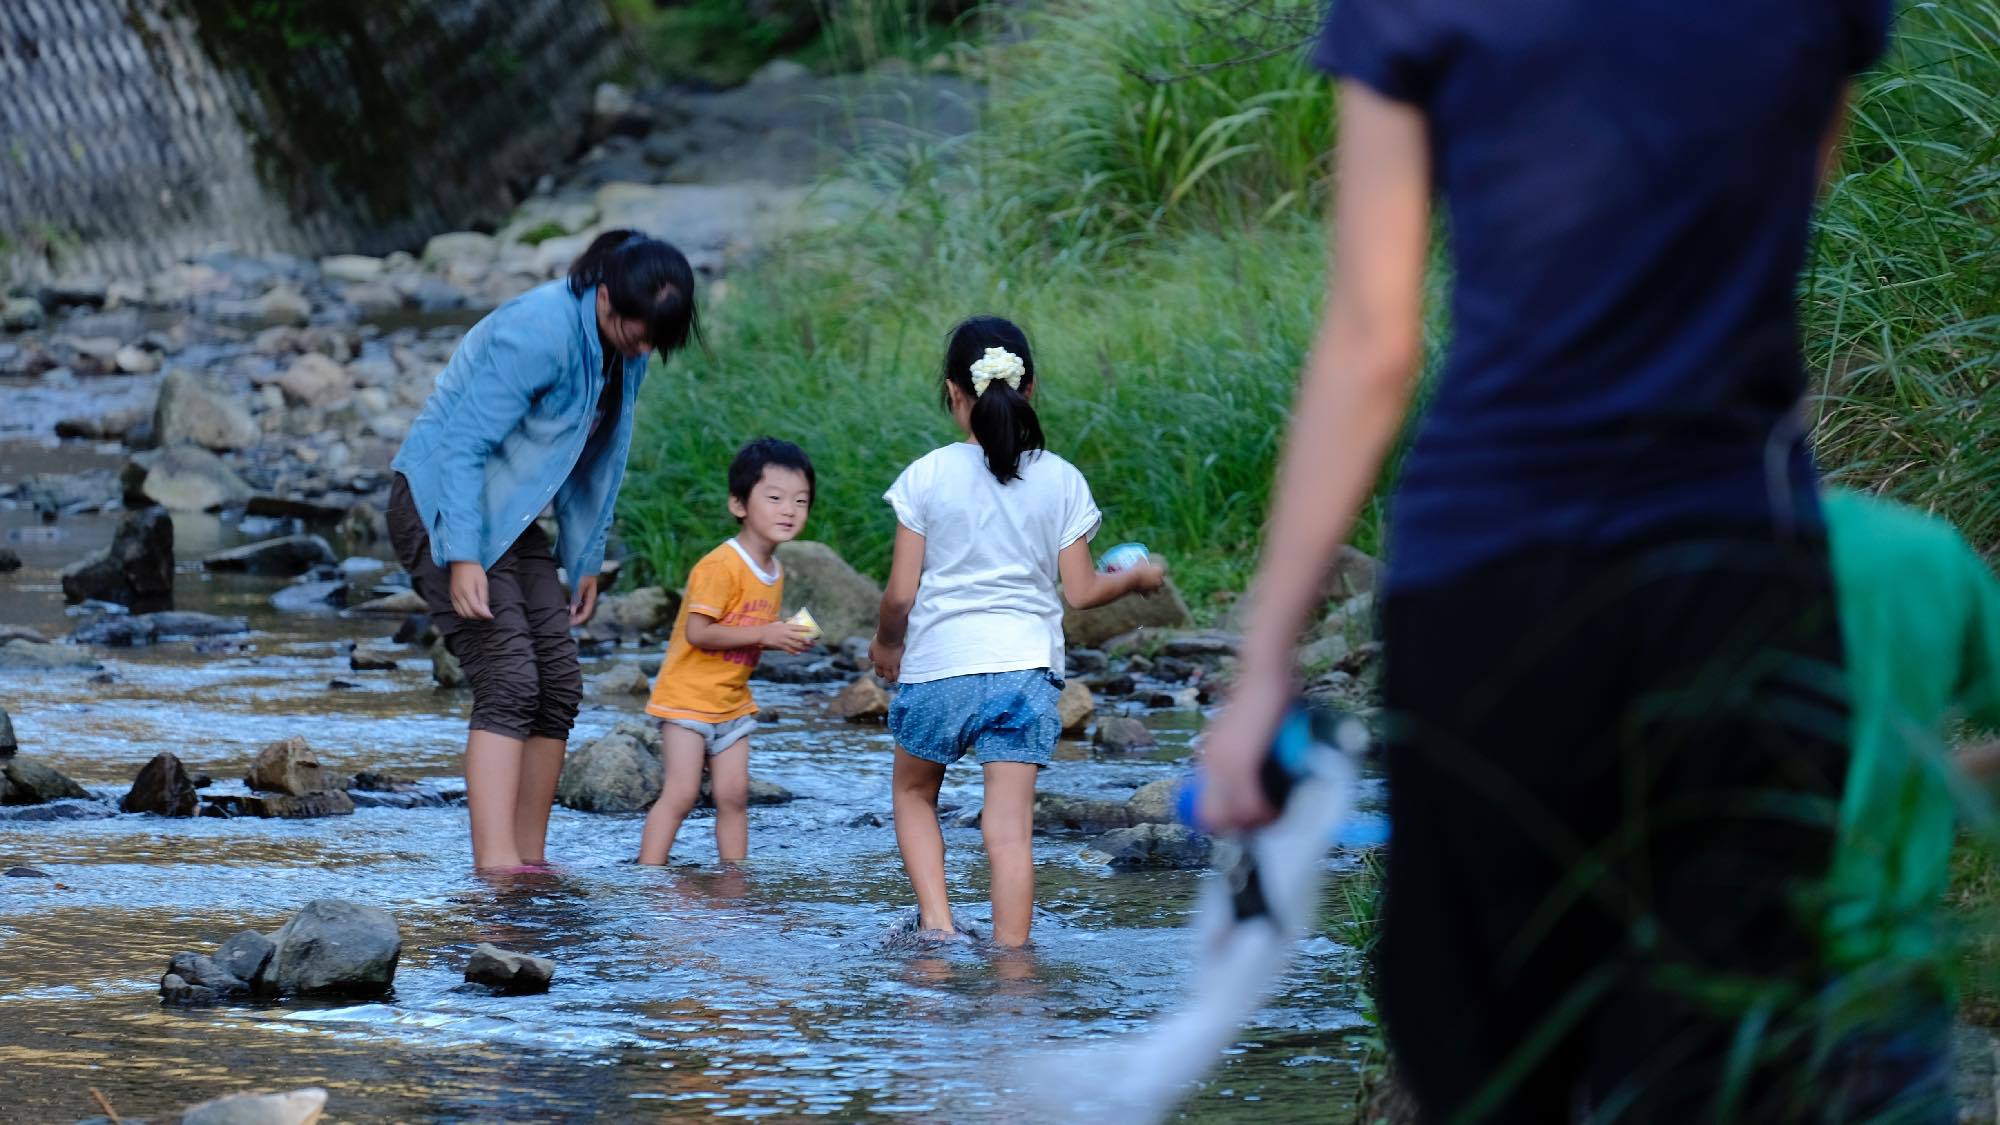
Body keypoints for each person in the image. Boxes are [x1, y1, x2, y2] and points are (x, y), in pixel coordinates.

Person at [1195, 1, 1892, 1119]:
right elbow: (1778, 217)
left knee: (1483, 1051)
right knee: (1721, 1047)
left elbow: (1375, 342)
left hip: (1492, 572)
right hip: (1736, 566)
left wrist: (1263, 661)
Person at [388, 229, 699, 872]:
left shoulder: (624, 351)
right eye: (636, 331)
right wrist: (463, 555)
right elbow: (464, 445)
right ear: (605, 296)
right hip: (443, 507)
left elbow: (601, 463)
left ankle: (529, 861)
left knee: (557, 685)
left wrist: (585, 560)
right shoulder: (537, 332)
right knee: (507, 678)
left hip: (514, 518)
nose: (642, 347)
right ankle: (495, 868)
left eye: (652, 340)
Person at [869, 316, 1166, 948]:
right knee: (1009, 834)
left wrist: (887, 645)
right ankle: (1013, 969)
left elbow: (900, 593)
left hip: (939, 667)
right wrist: (1138, 580)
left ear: (953, 392)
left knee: (915, 795)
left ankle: (940, 929)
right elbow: (1083, 593)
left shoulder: (926, 475)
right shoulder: (1061, 479)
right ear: (1031, 390)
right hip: (1024, 670)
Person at [1819, 486, 2000, 1117]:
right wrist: (1929, 783)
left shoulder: (1598, 562)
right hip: (1884, 975)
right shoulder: (1913, 552)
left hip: (1683, 983)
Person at [638, 438, 817, 866]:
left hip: (732, 702)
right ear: (739, 504)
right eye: (774, 498)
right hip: (687, 700)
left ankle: (733, 878)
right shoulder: (721, 565)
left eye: (800, 501)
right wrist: (766, 634)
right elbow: (699, 633)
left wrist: (784, 635)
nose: (788, 510)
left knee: (734, 796)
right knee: (680, 794)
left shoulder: (775, 570)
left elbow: (750, 629)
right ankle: (646, 874)